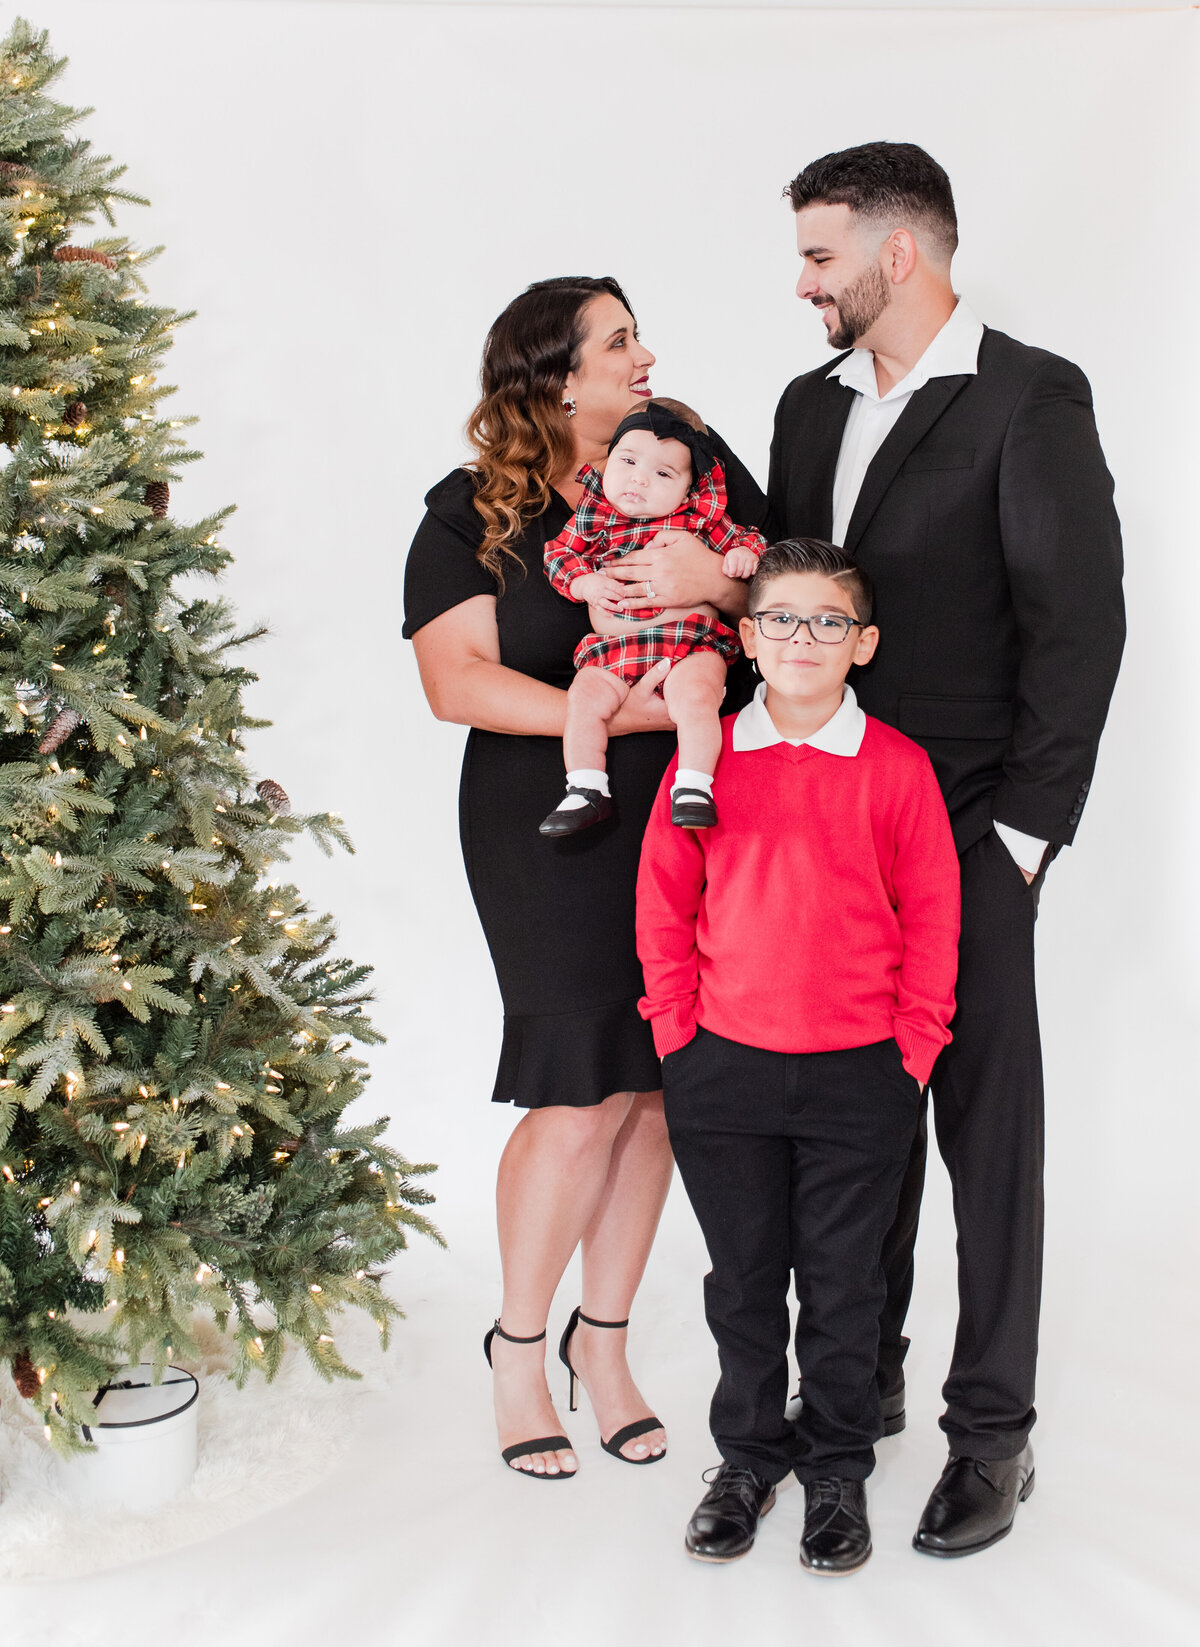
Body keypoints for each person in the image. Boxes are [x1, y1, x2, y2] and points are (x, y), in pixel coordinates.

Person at [770, 142, 1125, 1555]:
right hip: (832, 829)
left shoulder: (1032, 397)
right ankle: (863, 1379)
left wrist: (1026, 841)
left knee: (987, 1136)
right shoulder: (809, 407)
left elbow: (1077, 625)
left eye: (819, 256)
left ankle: (995, 1434)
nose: (802, 283)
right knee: (859, 1126)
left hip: (974, 835)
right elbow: (799, 603)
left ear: (898, 253)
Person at [402, 276, 771, 1479]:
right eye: (620, 341)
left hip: (693, 805)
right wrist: (602, 724)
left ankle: (599, 1345)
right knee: (575, 1086)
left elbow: (778, 594)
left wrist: (701, 585)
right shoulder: (472, 512)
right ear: (556, 375)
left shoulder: (694, 463)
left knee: (660, 1082)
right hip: (549, 817)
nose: (646, 353)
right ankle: (517, 1348)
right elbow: (455, 681)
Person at [636, 538, 960, 1573]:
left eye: (828, 622)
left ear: (862, 644)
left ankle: (835, 1468)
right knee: (740, 1282)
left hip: (860, 1074)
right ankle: (745, 1460)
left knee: (842, 1285)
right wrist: (677, 1035)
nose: (804, 639)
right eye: (781, 619)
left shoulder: (899, 769)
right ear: (745, 638)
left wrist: (911, 1051)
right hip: (721, 1069)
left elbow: (935, 921)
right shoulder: (710, 758)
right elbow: (663, 902)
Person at [540, 397, 765, 836]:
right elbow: (559, 555)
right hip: (614, 652)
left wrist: (741, 555)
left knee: (698, 698)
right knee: (583, 700)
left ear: (689, 488)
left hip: (689, 645)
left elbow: (752, 540)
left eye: (663, 473)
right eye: (627, 461)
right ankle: (585, 787)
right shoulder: (595, 515)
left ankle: (696, 785)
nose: (638, 479)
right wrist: (584, 584)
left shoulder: (697, 520)